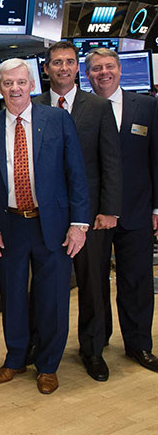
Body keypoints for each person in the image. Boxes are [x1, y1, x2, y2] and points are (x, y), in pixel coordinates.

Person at [0, 58, 89, 395]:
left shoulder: (57, 119)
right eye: (8, 83)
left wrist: (79, 224)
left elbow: (76, 174)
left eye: (21, 82)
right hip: (9, 225)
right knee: (12, 296)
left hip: (51, 225)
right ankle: (15, 358)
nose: (15, 88)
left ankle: (49, 365)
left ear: (32, 84)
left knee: (52, 297)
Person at [34, 42, 121, 381]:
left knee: (94, 283)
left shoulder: (98, 107)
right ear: (46, 69)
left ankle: (93, 349)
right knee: (45, 285)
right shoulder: (33, 104)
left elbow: (111, 161)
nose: (64, 68)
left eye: (70, 62)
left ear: (77, 69)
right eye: (57, 62)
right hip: (46, 216)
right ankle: (40, 346)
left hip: (92, 215)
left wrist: (110, 209)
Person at [85, 48, 158, 372]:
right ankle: (97, 344)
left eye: (109, 66)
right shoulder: (82, 109)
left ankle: (139, 344)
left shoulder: (147, 107)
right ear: (88, 75)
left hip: (137, 209)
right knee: (94, 283)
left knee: (137, 281)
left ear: (120, 69)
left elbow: (156, 159)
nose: (104, 72)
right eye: (97, 68)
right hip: (95, 214)